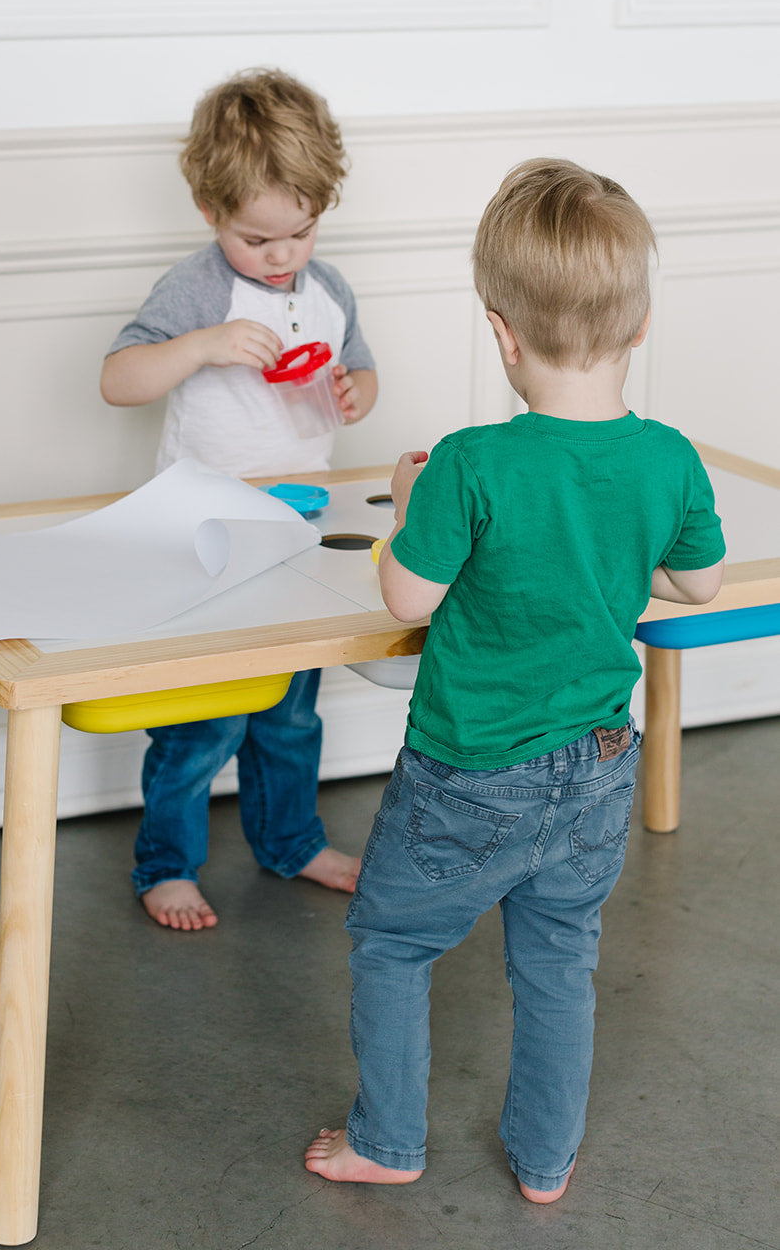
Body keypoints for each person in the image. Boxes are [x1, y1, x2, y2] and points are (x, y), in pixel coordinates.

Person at [305, 158, 725, 1202]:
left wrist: (408, 503)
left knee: (393, 944)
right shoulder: (666, 456)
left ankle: (388, 1143)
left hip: (468, 772)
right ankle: (543, 1164)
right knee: (556, 961)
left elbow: (405, 598)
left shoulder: (468, 462)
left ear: (498, 329)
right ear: (636, 329)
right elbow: (699, 580)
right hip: (595, 763)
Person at [101, 68, 378, 932]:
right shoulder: (198, 290)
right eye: (258, 239)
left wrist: (354, 392)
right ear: (209, 209)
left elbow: (360, 369)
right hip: (205, 532)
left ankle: (290, 841)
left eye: (299, 232)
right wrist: (203, 346)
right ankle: (166, 864)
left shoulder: (327, 288)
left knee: (291, 713)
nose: (282, 255)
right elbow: (118, 379)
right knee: (205, 721)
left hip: (295, 531)